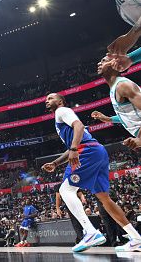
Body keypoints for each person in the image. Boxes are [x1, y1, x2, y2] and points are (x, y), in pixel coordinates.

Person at [41, 93, 141, 252]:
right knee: (105, 199)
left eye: (50, 98)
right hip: (98, 151)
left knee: (65, 190)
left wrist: (74, 149)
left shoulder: (61, 111)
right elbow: (77, 140)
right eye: (46, 99)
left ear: (60, 101)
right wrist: (55, 163)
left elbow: (79, 126)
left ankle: (90, 232)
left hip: (86, 151)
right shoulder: (62, 116)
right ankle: (136, 238)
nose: (47, 101)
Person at [91, 55, 141, 151]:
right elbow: (131, 115)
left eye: (104, 60)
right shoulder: (114, 87)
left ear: (114, 64)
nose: (98, 63)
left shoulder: (122, 85)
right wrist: (109, 119)